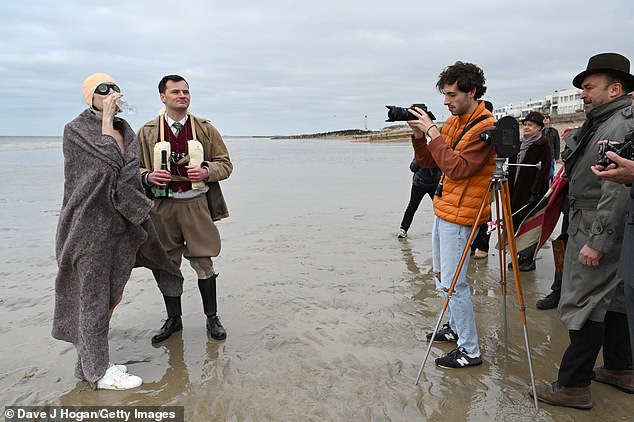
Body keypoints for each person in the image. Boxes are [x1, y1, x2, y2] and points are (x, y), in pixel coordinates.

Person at [52, 73, 183, 390]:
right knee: (93, 300)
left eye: (113, 87)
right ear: (90, 98)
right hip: (88, 227)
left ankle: (89, 365)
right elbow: (105, 167)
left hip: (122, 224)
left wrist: (146, 190)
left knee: (112, 296)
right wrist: (108, 120)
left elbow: (127, 179)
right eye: (102, 89)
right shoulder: (76, 132)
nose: (111, 92)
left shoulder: (127, 130)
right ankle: (99, 372)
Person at [532, 53, 634, 409]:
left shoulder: (618, 126)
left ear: (615, 88)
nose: (583, 95)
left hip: (597, 225)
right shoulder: (604, 121)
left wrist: (598, 241)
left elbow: (616, 187)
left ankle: (573, 386)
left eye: (589, 87)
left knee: (584, 304)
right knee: (615, 299)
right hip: (597, 222)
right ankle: (622, 368)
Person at [408, 61, 496, 368]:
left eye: (451, 95)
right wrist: (421, 136)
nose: (445, 102)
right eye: (444, 95)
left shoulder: (485, 127)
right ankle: (456, 328)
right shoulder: (456, 120)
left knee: (455, 283)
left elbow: (457, 169)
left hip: (462, 216)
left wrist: (433, 131)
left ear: (471, 91)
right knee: (441, 276)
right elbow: (431, 162)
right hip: (445, 209)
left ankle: (470, 350)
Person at [138, 75, 233, 343]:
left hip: (196, 204)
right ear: (163, 97)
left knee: (204, 261)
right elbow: (131, 169)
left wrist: (205, 170)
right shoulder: (146, 131)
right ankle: (173, 320)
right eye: (176, 92)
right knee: (167, 264)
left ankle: (212, 318)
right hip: (162, 206)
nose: (183, 96)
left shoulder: (205, 129)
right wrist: (147, 177)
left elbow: (225, 165)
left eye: (186, 92)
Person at [508, 111, 552, 271]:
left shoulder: (543, 145)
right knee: (516, 223)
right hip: (516, 190)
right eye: (525, 125)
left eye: (530, 125)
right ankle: (519, 255)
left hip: (532, 191)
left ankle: (529, 259)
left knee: (530, 225)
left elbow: (544, 170)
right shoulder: (519, 144)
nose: (526, 128)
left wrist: (535, 192)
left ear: (539, 127)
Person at [397, 159, 441, 238]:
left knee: (440, 208)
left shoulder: (434, 153)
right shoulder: (422, 154)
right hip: (420, 184)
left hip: (432, 184)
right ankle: (403, 229)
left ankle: (442, 230)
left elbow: (444, 168)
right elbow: (413, 168)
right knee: (413, 206)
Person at [542, 114, 560, 183]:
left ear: (550, 120)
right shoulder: (540, 131)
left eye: (547, 118)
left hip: (551, 155)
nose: (545, 119)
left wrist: (557, 158)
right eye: (544, 118)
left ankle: (551, 185)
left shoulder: (554, 131)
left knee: (551, 173)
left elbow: (557, 144)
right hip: (542, 156)